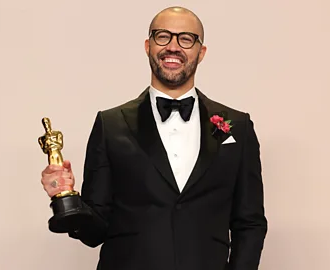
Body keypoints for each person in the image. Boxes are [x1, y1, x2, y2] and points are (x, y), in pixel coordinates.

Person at [40, 6, 268, 270]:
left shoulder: (238, 126)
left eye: (186, 38)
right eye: (163, 36)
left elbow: (249, 222)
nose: (173, 47)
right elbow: (96, 231)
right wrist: (67, 199)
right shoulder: (110, 124)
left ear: (201, 52)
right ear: (148, 46)